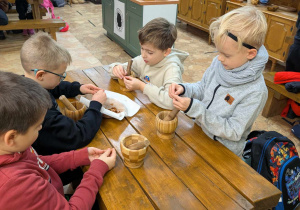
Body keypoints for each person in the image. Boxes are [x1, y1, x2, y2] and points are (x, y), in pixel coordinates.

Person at [0, 71, 116, 209]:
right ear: (11, 137)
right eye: (38, 127)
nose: (42, 127)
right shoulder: (17, 185)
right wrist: (97, 170)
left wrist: (79, 156)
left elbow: (37, 162)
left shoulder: (13, 148)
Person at [169, 6, 269, 157]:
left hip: (222, 152)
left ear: (250, 53)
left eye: (226, 55)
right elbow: (203, 88)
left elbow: (234, 131)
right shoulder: (220, 62)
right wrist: (184, 89)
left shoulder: (256, 91)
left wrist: (196, 109)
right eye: (218, 52)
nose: (219, 58)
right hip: (199, 133)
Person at [108, 17, 189, 110]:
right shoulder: (144, 60)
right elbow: (113, 69)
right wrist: (116, 69)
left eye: (149, 52)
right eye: (142, 48)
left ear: (166, 52)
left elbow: (172, 102)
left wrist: (142, 86)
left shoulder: (172, 69)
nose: (143, 55)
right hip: (147, 109)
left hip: (161, 115)